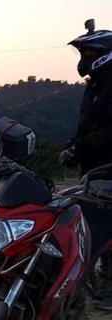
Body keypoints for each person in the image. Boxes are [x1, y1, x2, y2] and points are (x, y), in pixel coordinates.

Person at [60, 19, 112, 310]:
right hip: (92, 170)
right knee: (85, 223)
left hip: (109, 169)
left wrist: (79, 147)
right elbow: (87, 127)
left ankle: (108, 287)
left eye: (90, 55)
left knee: (103, 227)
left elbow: (106, 133)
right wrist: (73, 145)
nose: (85, 61)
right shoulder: (96, 86)